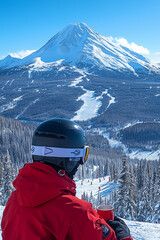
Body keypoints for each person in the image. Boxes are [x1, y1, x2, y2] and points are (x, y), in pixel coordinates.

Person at [1, 118, 133, 240]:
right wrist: (122, 235)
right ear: (69, 159)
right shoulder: (76, 211)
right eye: (82, 155)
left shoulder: (13, 202)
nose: (81, 163)